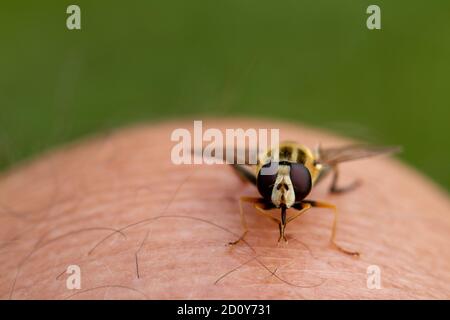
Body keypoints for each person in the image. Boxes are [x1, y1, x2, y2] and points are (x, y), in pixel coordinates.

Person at [0, 119, 449, 299]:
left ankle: (334, 186)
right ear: (265, 176)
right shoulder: (259, 178)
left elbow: (311, 179)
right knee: (238, 189)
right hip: (276, 160)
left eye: (291, 189)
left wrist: (333, 232)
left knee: (327, 198)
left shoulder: (316, 170)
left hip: (307, 161)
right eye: (274, 187)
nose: (284, 197)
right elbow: (246, 189)